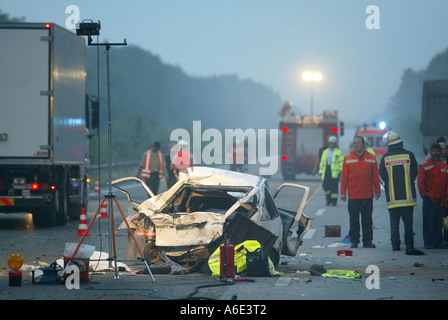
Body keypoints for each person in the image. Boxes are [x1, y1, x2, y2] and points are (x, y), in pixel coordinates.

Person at [379, 132, 424, 255]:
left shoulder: (385, 157)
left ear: (389, 144)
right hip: (408, 197)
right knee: (408, 223)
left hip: (392, 198)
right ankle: (409, 244)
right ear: (400, 142)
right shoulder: (409, 155)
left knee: (394, 222)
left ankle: (395, 245)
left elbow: (382, 175)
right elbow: (415, 171)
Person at [340, 136, 381, 248]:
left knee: (367, 219)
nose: (356, 145)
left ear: (363, 144)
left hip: (367, 195)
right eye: (355, 143)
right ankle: (355, 240)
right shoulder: (348, 158)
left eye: (358, 143)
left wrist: (377, 190)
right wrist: (343, 193)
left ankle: (367, 241)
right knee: (354, 219)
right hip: (353, 195)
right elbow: (344, 178)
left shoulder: (371, 158)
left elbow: (375, 176)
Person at [417, 143, 447, 249]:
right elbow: (420, 182)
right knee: (428, 221)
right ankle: (428, 242)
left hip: (441, 199)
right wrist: (424, 195)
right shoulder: (424, 166)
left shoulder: (444, 167)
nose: (435, 153)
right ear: (430, 152)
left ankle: (438, 241)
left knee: (439, 221)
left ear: (440, 152)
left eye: (437, 151)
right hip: (429, 198)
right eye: (433, 151)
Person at [318, 136, 343, 206]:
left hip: (335, 173)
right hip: (327, 170)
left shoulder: (338, 152)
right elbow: (322, 162)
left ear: (335, 144)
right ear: (328, 144)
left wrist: (341, 170)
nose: (331, 144)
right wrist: (320, 171)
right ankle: (329, 198)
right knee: (325, 186)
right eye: (330, 143)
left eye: (333, 143)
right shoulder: (325, 152)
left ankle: (333, 202)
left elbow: (342, 162)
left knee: (334, 188)